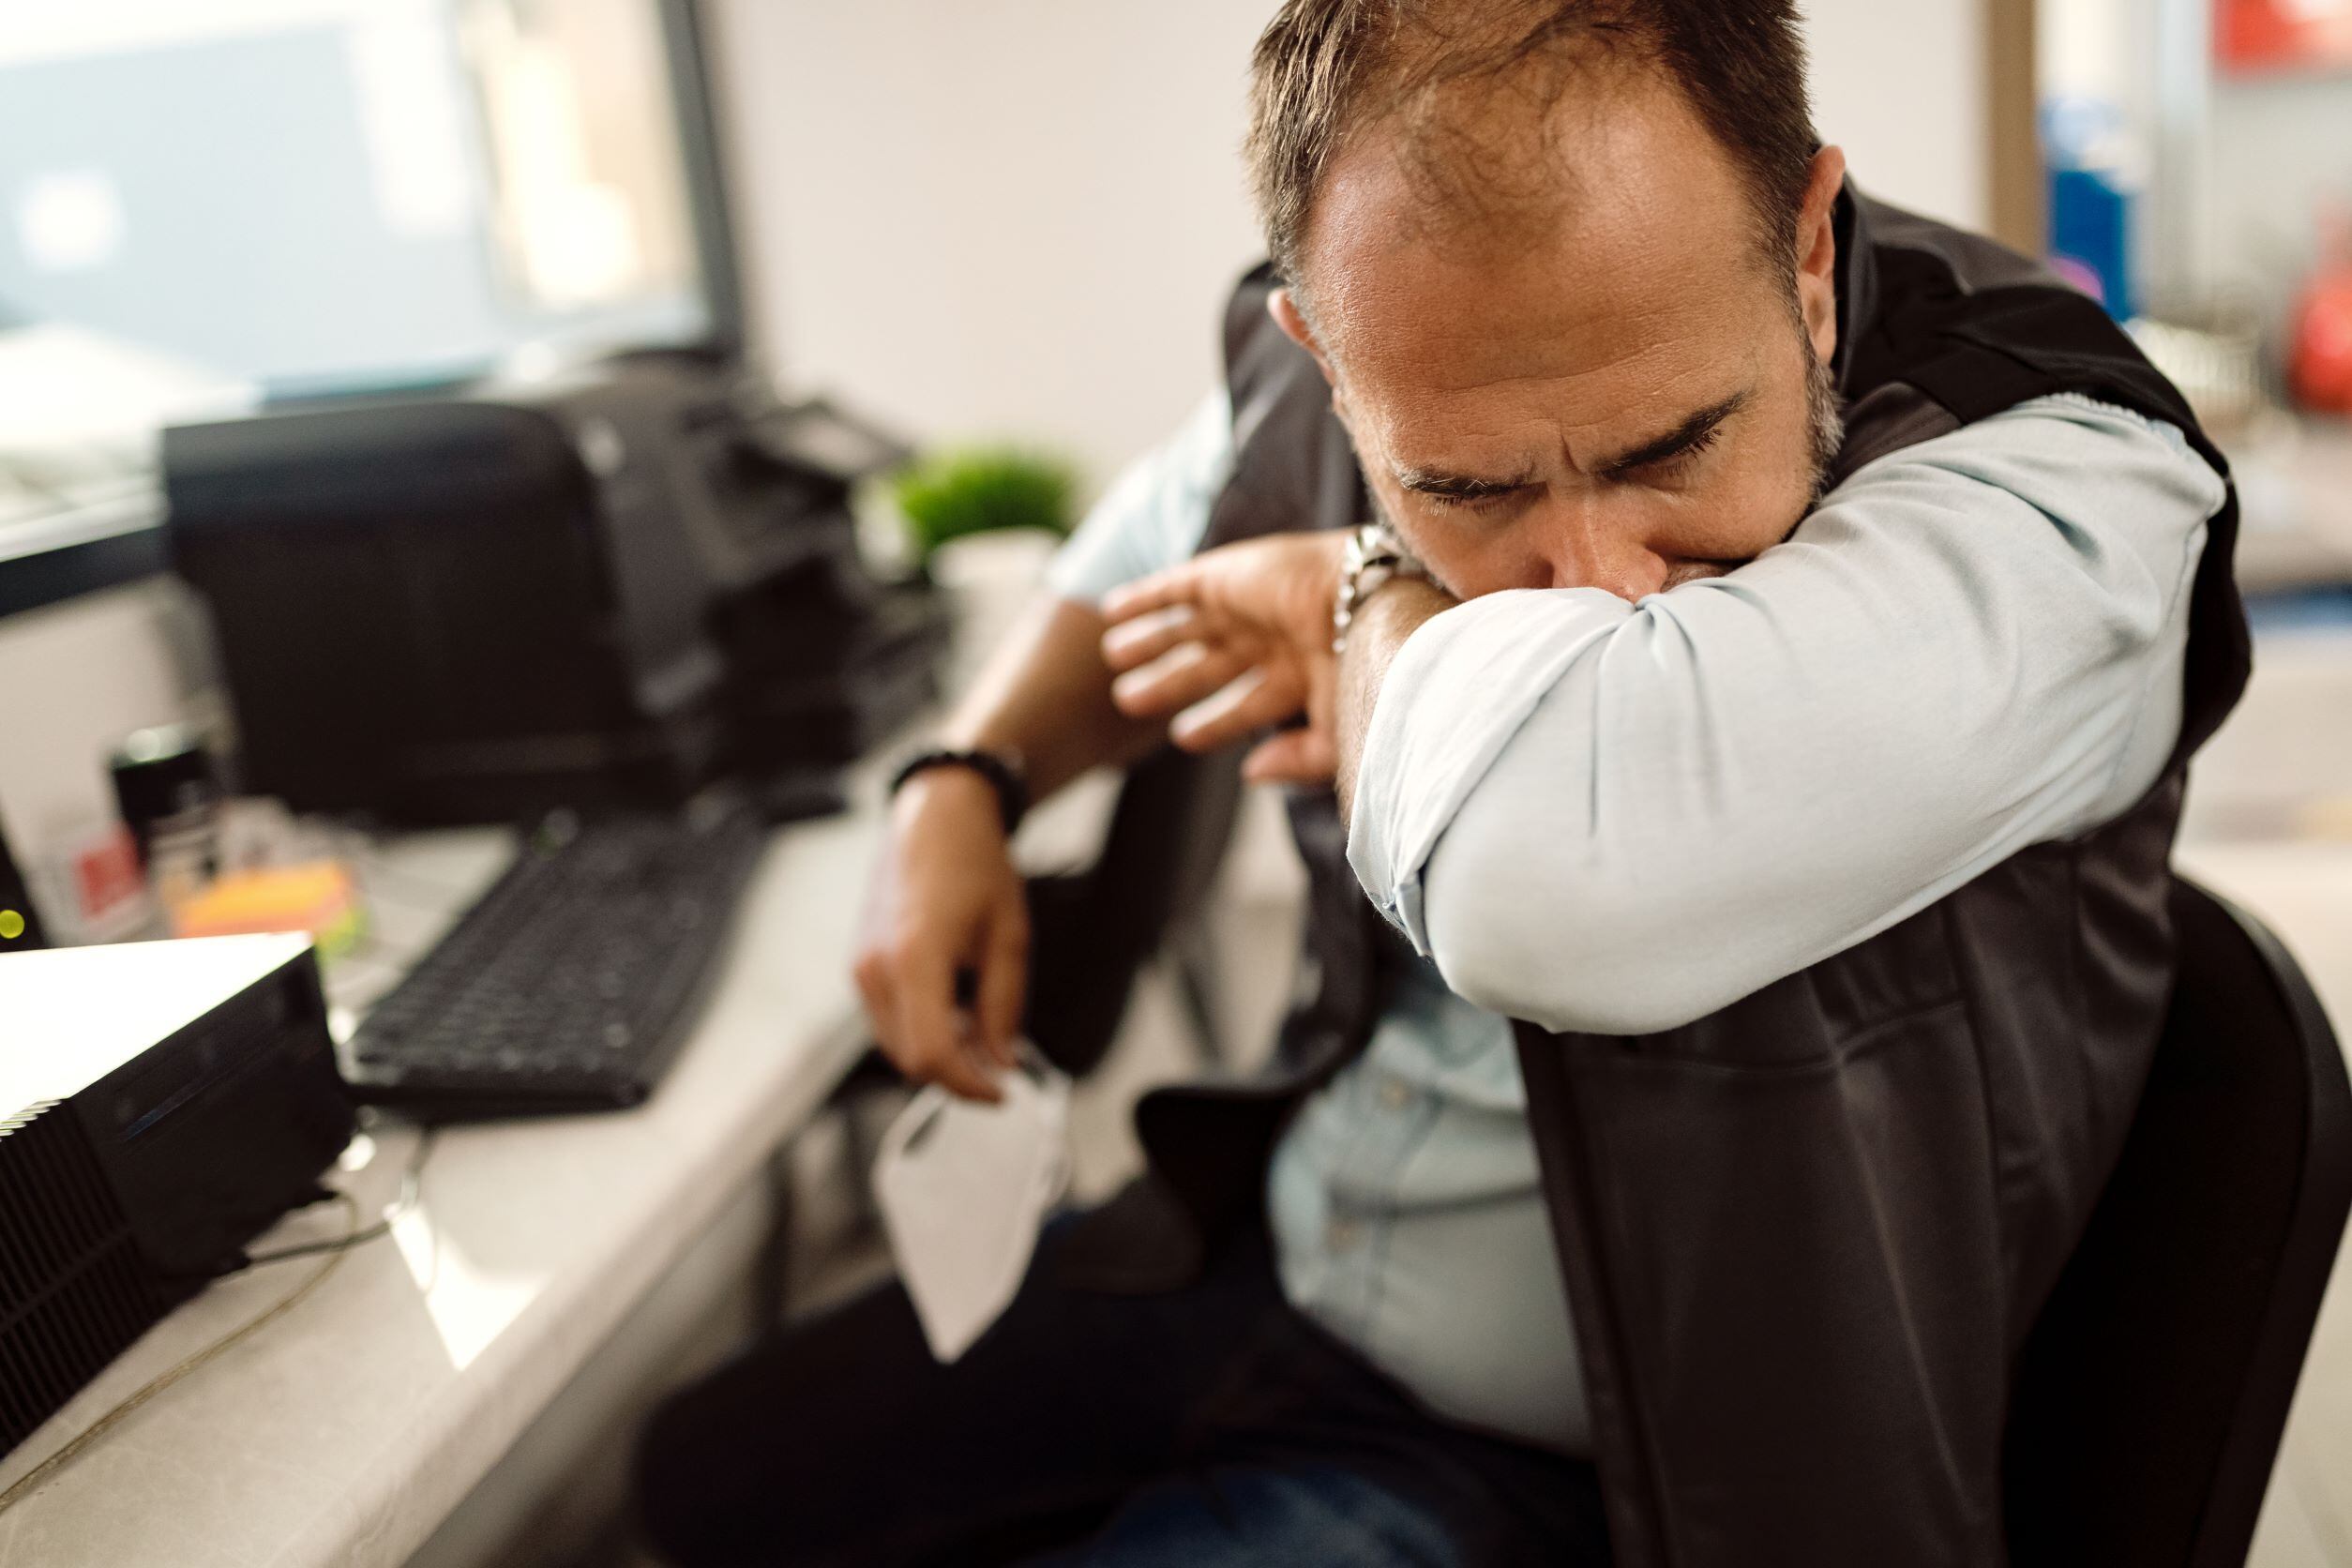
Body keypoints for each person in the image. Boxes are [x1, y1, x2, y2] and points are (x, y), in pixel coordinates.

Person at [636, 2, 2247, 1563]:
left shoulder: (2066, 493)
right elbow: (1142, 546)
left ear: (1809, 255)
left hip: (1621, 1473)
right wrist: (961, 782)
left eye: (1671, 448)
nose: (1591, 582)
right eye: (1469, 490)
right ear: (1327, 362)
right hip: (1277, 1257)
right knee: (694, 1484)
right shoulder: (1382, 347)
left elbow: (1544, 871)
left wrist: (1358, 594)